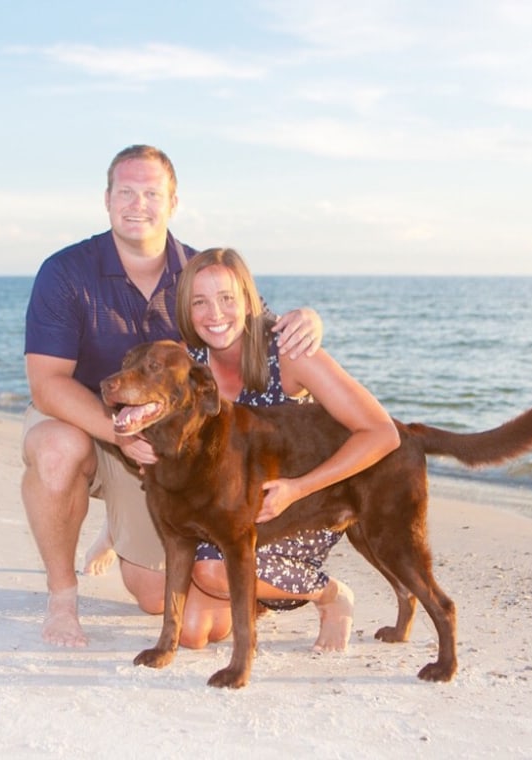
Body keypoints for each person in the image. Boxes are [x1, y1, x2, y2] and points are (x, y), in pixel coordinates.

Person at [22, 145, 323, 647]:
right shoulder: (66, 272)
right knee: (57, 451)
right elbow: (46, 384)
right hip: (83, 420)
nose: (138, 204)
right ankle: (61, 599)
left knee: (163, 601)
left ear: (173, 202)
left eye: (151, 193)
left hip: (159, 442)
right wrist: (120, 431)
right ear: (107, 198)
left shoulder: (196, 273)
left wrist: (308, 318)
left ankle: (121, 531)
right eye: (126, 192)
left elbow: (254, 325)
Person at [173, 247, 401, 653]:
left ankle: (331, 595)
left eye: (227, 298)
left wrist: (299, 487)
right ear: (185, 310)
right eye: (199, 302)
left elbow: (382, 433)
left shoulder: (287, 351)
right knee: (192, 634)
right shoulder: (186, 364)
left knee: (210, 571)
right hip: (231, 512)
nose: (215, 314)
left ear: (248, 300)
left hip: (298, 507)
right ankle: (258, 595)